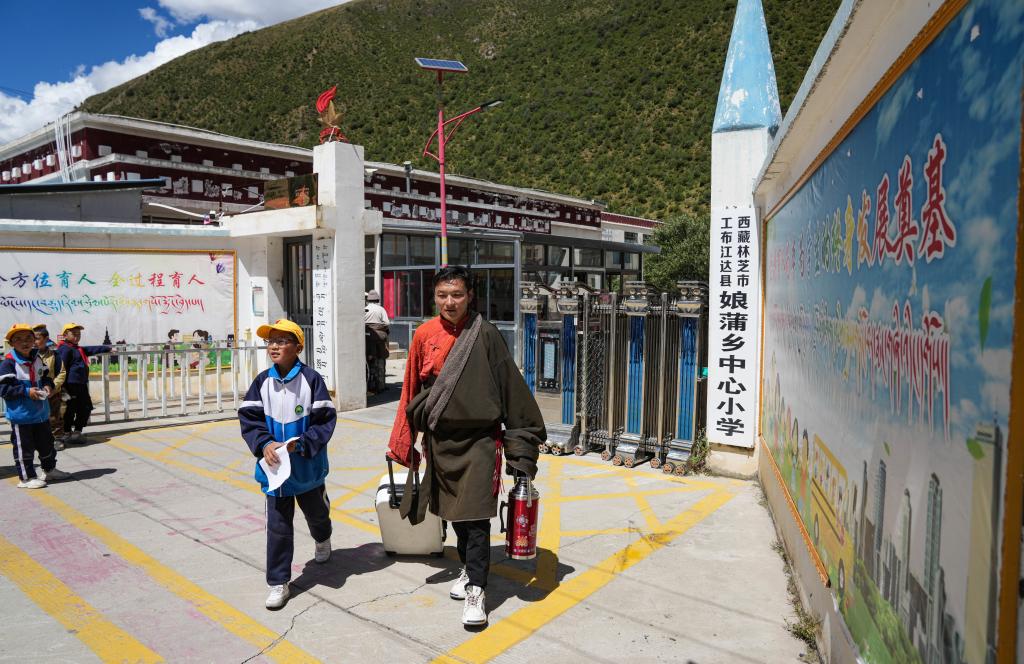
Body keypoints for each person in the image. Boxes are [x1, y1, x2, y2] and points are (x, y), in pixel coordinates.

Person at [387, 266, 545, 627]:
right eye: (442, 295)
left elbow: (511, 390)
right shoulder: (424, 334)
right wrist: (404, 441)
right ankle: (469, 568)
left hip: (479, 442)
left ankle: (477, 588)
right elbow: (410, 390)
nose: (450, 302)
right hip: (440, 442)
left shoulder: (486, 335)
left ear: (469, 296)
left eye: (457, 294)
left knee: (475, 517)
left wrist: (521, 449)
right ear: (434, 297)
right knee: (454, 514)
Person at [238, 319, 337, 610]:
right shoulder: (262, 382)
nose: (274, 347)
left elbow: (325, 420)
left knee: (317, 515)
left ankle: (323, 538)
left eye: (282, 341)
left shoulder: (311, 380)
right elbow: (249, 419)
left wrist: (302, 443)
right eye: (271, 341)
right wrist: (264, 444)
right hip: (275, 472)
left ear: (298, 347)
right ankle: (278, 581)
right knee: (278, 528)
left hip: (307, 469)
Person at [1, 324, 72, 488]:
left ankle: (49, 470)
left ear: (34, 340)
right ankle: (26, 478)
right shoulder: (9, 364)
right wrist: (26, 392)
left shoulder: (37, 359)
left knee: (47, 445)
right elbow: (4, 389)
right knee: (24, 449)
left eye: (28, 338)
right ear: (11, 343)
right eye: (18, 339)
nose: (24, 342)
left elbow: (46, 377)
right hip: (21, 416)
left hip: (41, 414)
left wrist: (48, 386)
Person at [56, 323, 111, 445]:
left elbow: (90, 349)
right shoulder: (65, 349)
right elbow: (61, 368)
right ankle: (67, 432)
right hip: (70, 385)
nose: (77, 336)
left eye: (78, 334)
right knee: (70, 409)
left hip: (80, 384)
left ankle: (77, 432)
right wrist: (62, 387)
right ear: (65, 335)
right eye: (73, 334)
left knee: (85, 407)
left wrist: (108, 348)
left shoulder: (77, 348)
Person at [33, 326, 67, 450]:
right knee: (37, 417)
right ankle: (41, 439)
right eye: (32, 338)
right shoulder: (30, 356)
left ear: (46, 339)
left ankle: (58, 438)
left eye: (37, 338)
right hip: (35, 393)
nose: (34, 341)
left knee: (54, 417)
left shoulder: (55, 355)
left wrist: (53, 388)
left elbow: (62, 373)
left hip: (52, 393)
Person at [364, 290, 390, 394]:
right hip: (379, 338)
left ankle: (369, 385)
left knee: (368, 362)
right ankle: (380, 385)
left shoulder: (365, 309)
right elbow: (387, 323)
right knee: (380, 360)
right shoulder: (381, 309)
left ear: (368, 299)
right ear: (377, 299)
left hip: (366, 337)